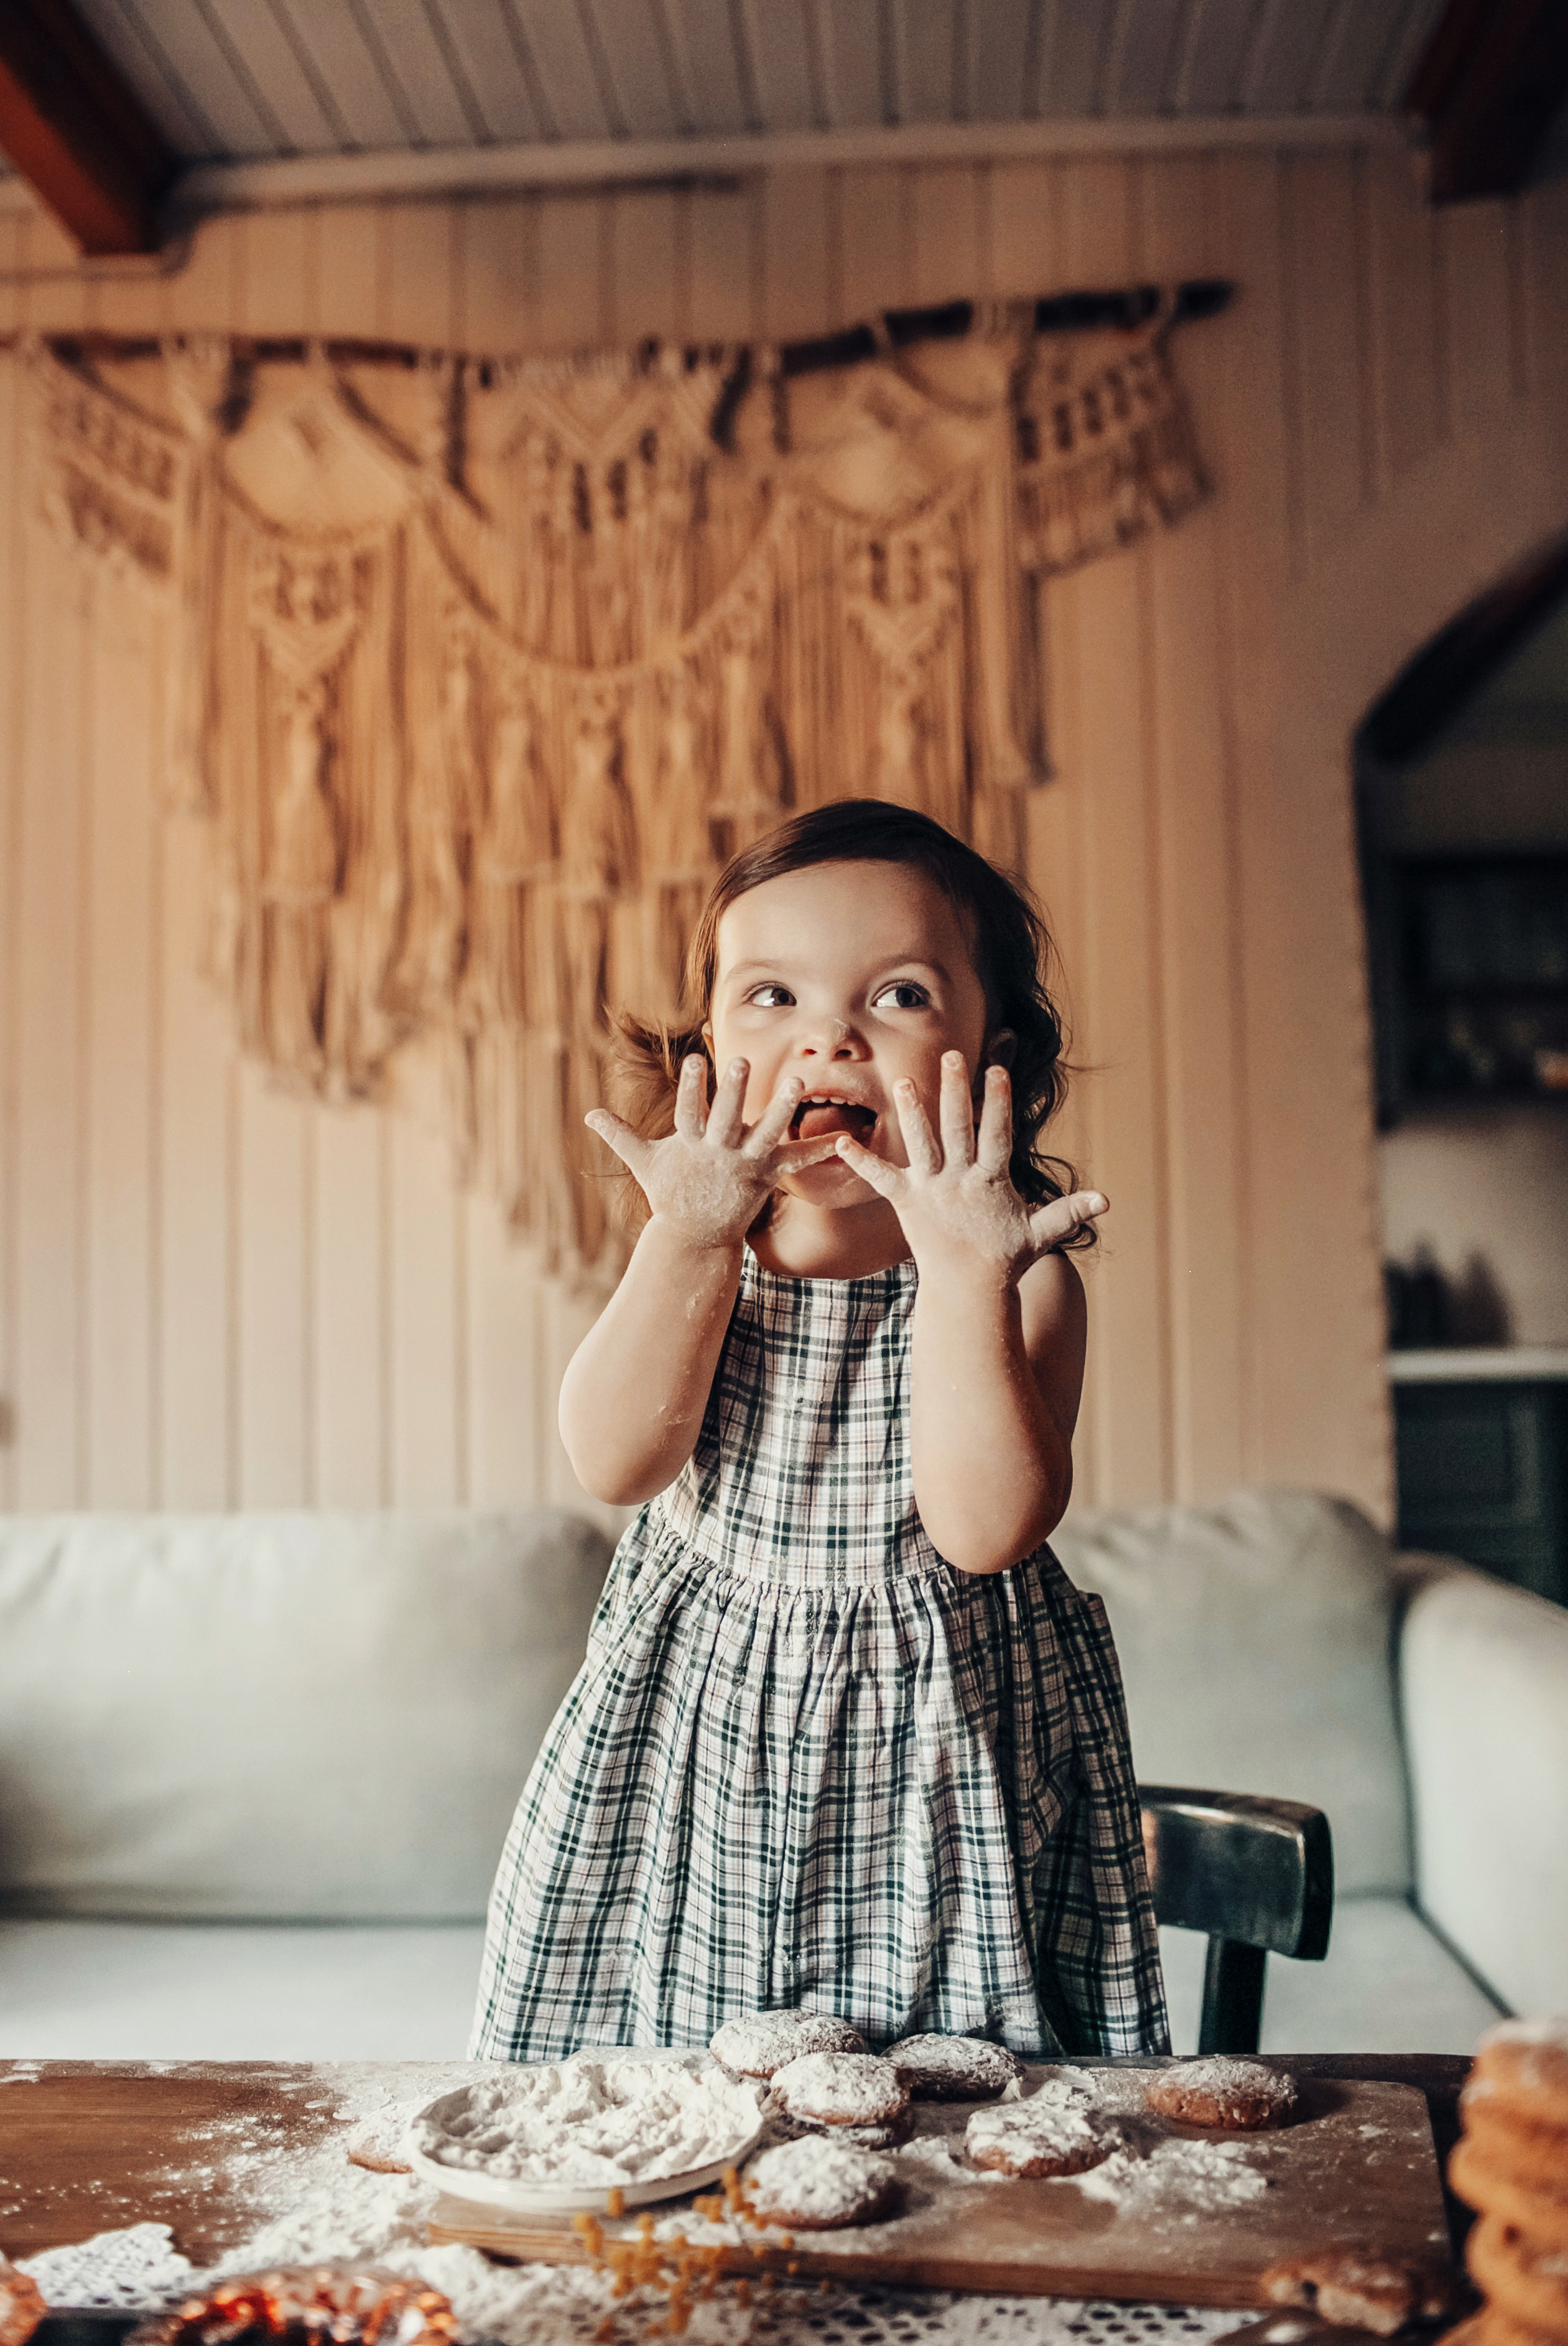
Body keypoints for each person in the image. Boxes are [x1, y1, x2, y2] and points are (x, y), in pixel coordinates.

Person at [470, 799, 1168, 2063]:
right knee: (681, 2091)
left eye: (897, 995)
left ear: (989, 1052)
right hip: (699, 1751)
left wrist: (960, 1279)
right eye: (770, 996)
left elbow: (985, 1526)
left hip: (940, 1771)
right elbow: (614, 1459)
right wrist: (680, 1235)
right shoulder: (706, 1257)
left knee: (950, 2109)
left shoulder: (1018, 1279)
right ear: (708, 1052)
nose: (829, 1035)